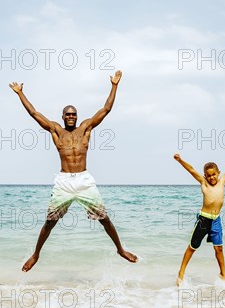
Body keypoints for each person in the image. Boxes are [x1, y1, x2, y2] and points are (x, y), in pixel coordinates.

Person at [9, 70, 138, 272]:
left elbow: (106, 109)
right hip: (64, 181)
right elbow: (34, 113)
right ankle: (36, 255)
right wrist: (20, 94)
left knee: (104, 219)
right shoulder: (56, 131)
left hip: (84, 180)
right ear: (62, 116)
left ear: (77, 116)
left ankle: (120, 249)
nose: (71, 116)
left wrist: (114, 85)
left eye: (73, 114)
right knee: (50, 222)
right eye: (68, 114)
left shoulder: (85, 128)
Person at [173, 144, 225, 286]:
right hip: (203, 220)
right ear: (205, 176)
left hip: (216, 220)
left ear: (218, 173)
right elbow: (192, 170)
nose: (212, 177)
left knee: (219, 248)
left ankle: (223, 274)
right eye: (209, 175)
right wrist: (180, 160)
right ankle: (181, 273)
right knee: (192, 247)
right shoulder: (203, 183)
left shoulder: (222, 181)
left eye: (214, 174)